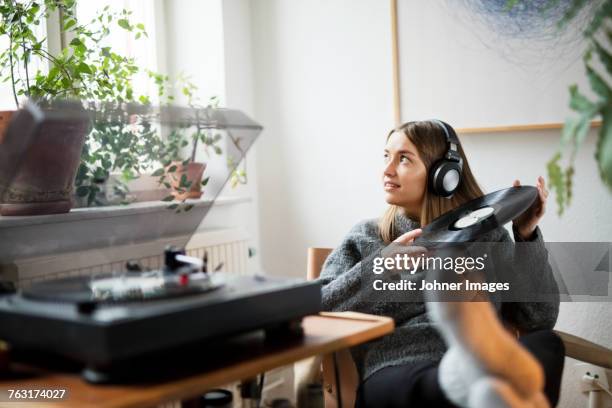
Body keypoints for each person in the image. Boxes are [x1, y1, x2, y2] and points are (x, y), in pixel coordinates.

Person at [318, 120, 564, 408]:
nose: (387, 170)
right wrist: (382, 266)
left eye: (404, 159)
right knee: (492, 386)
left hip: (480, 356)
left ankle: (477, 380)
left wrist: (526, 236)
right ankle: (474, 385)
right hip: (397, 370)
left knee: (547, 344)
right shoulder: (366, 237)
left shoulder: (489, 238)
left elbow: (539, 317)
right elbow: (319, 306)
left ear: (444, 175)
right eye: (386, 157)